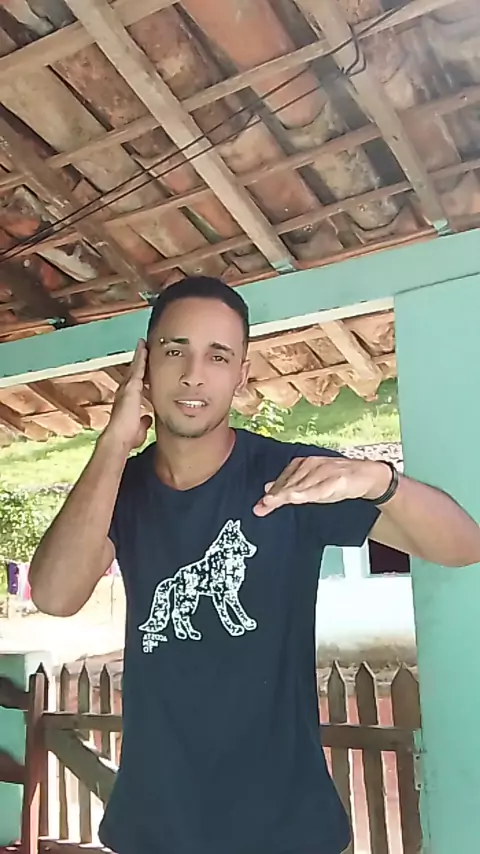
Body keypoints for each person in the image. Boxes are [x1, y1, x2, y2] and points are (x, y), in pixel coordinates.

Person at [30, 276, 480, 854]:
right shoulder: (119, 487)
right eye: (174, 351)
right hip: (155, 827)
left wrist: (378, 480)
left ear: (241, 375)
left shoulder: (290, 477)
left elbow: (463, 546)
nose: (194, 375)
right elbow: (54, 595)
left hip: (285, 827)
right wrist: (114, 442)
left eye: (218, 356)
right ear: (144, 364)